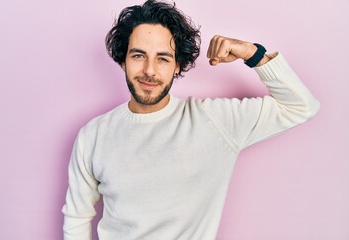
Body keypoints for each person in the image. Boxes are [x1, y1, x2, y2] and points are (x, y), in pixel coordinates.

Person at [62, 0, 320, 239]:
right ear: (123, 61)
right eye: (138, 56)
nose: (149, 71)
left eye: (163, 58)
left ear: (177, 65)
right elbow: (77, 217)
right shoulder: (93, 135)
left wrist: (251, 53)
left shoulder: (215, 121)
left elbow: (301, 106)